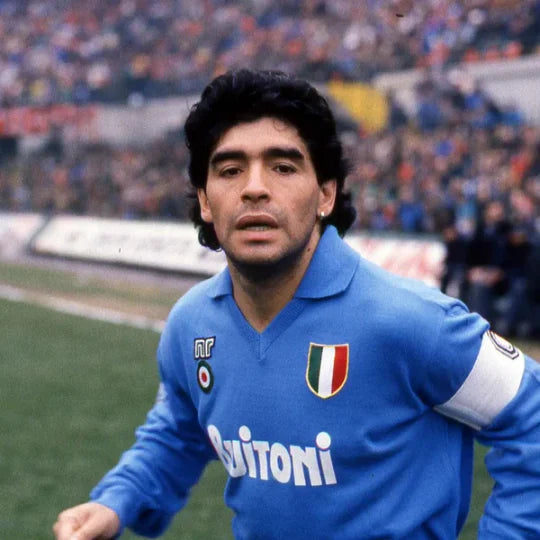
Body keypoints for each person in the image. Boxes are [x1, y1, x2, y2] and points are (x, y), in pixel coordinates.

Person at [54, 69, 540, 540]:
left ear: (326, 193)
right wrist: (116, 500)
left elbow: (531, 414)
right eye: (230, 170)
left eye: (283, 167)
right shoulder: (191, 324)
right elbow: (178, 429)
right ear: (205, 201)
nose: (254, 187)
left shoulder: (410, 321)